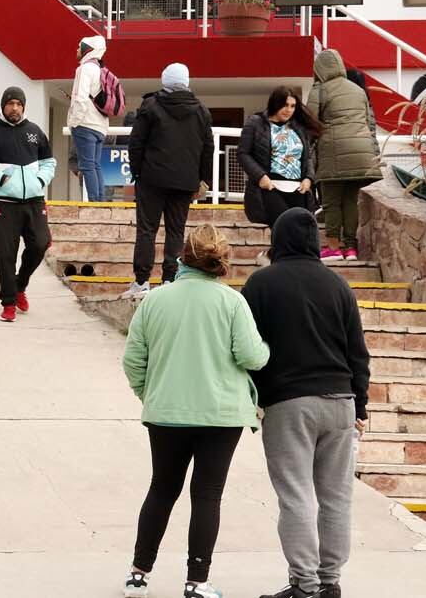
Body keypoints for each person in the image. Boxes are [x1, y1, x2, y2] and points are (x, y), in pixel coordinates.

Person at [121, 225, 270, 598]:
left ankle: (138, 575)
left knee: (162, 488)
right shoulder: (232, 302)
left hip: (165, 412)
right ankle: (197, 582)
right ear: (220, 262)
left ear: (181, 258)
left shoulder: (155, 300)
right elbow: (252, 356)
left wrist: (150, 394)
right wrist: (267, 348)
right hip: (221, 416)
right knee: (207, 495)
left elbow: (133, 361)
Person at [242, 208, 370, 598]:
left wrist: (255, 397)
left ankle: (305, 585)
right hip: (340, 401)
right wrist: (360, 406)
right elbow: (357, 354)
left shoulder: (261, 285)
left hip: (289, 402)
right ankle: (330, 581)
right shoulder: (338, 286)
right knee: (336, 496)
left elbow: (247, 349)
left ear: (277, 240)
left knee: (296, 495)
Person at [122, 63, 212, 299]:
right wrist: (202, 179)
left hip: (151, 179)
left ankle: (141, 281)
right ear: (187, 81)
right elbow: (208, 148)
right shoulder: (201, 110)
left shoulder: (150, 106)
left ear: (164, 80)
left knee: (146, 231)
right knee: (175, 232)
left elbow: (136, 142)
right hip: (185, 182)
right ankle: (169, 280)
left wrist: (137, 172)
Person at [0, 85, 56, 322]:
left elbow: (49, 162)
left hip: (34, 200)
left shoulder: (35, 131)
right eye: (10, 103)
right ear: (3, 106)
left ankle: (20, 286)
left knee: (41, 244)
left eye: (19, 104)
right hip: (3, 203)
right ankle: (8, 303)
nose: (15, 108)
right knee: (6, 255)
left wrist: (40, 179)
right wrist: (0, 179)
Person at [308, 50, 382, 261]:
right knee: (350, 201)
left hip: (334, 152)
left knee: (331, 202)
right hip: (362, 153)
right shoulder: (358, 90)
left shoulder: (320, 89)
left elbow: (310, 123)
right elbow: (370, 123)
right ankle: (350, 248)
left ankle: (333, 247)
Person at [239, 87, 320, 228]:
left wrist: (309, 178)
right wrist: (260, 177)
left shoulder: (298, 128)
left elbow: (307, 158)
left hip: (298, 190)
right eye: (285, 105)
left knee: (299, 232)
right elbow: (243, 154)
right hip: (271, 188)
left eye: (292, 106)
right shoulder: (255, 123)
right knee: (283, 229)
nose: (289, 110)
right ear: (275, 103)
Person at [67, 34, 110, 202]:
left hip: (85, 124)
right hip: (100, 126)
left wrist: (74, 123)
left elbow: (80, 98)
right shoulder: (100, 69)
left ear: (87, 50)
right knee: (96, 165)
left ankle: (94, 202)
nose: (77, 50)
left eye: (79, 47)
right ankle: (100, 201)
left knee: (86, 165)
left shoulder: (84, 69)